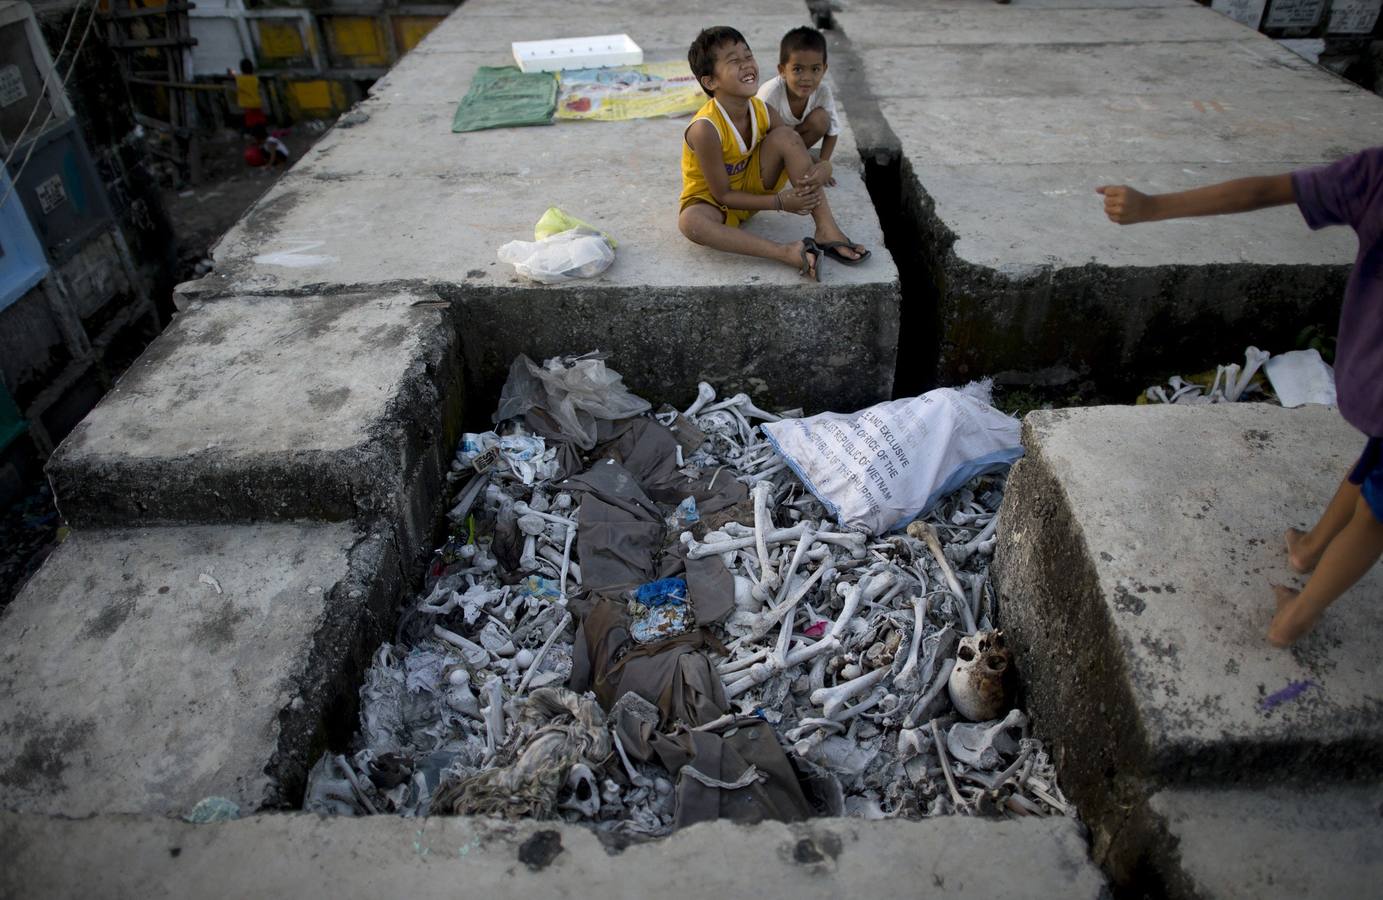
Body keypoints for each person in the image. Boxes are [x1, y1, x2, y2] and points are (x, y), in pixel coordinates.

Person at [1096, 148, 1383, 647]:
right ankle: (1302, 584)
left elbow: (1263, 190)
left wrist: (1152, 206)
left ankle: (1302, 582)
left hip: (1369, 373)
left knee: (1376, 484)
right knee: (1378, 494)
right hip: (1374, 381)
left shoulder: (1376, 172)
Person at [678, 26, 870, 281]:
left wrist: (823, 165)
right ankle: (786, 252)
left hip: (753, 185)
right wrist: (779, 202)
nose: (747, 65)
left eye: (748, 56)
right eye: (734, 61)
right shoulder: (706, 129)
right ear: (711, 81)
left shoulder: (762, 110)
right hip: (714, 203)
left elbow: (794, 148)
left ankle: (827, 229)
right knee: (691, 223)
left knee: (787, 136)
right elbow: (722, 194)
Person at [756, 26, 840, 173]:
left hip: (794, 141)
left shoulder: (822, 92)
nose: (807, 78)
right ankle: (790, 160)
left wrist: (823, 165)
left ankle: (795, 157)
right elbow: (753, 136)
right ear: (782, 71)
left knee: (822, 119)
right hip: (764, 148)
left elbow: (832, 130)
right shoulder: (770, 94)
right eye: (797, 69)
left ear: (824, 69)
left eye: (815, 69)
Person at [232, 58, 266, 133]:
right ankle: (262, 132)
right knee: (259, 119)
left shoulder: (239, 79)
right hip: (257, 102)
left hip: (247, 104)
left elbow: (235, 87)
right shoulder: (255, 78)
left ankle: (255, 134)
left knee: (251, 121)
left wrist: (232, 74)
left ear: (241, 69)